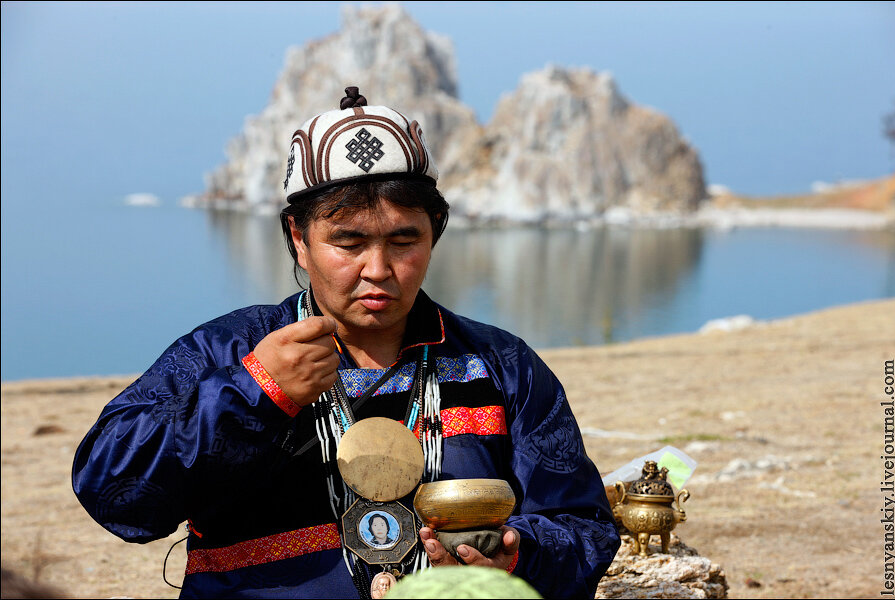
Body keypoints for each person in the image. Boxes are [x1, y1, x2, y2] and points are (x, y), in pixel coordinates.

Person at [72, 87, 620, 599]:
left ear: (436, 233)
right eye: (348, 242)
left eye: (405, 240)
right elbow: (114, 494)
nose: (378, 270)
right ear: (298, 238)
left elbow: (583, 527)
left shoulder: (501, 367)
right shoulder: (227, 350)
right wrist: (254, 392)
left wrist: (515, 560)